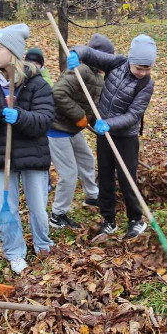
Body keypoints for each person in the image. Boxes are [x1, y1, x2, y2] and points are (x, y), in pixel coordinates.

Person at [0, 23, 55, 275]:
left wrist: (19, 116)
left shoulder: (36, 84)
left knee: (39, 209)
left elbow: (44, 120)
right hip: (4, 157)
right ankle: (15, 253)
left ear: (13, 51)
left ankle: (43, 244)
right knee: (6, 207)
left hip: (34, 155)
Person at [67, 34, 156, 238]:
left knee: (127, 179)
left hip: (125, 137)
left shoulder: (146, 85)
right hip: (103, 132)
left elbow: (134, 115)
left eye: (147, 68)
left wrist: (109, 123)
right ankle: (109, 220)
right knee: (105, 177)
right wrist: (76, 53)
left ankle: (136, 220)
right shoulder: (117, 64)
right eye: (138, 67)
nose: (142, 72)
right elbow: (90, 54)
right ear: (130, 61)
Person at [47, 34, 111, 229]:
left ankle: (92, 196)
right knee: (69, 173)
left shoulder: (97, 77)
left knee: (87, 159)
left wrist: (95, 120)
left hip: (73, 129)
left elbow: (89, 103)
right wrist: (78, 116)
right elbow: (58, 93)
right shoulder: (81, 70)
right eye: (106, 58)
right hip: (57, 129)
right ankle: (57, 215)